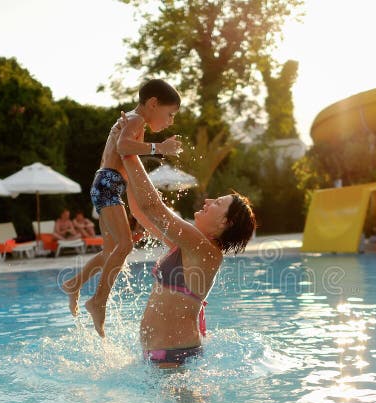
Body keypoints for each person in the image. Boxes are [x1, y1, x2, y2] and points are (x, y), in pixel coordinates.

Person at [63, 79, 183, 336]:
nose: (170, 121)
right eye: (169, 114)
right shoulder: (136, 120)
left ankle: (74, 284)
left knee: (110, 252)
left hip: (107, 184)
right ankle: (97, 301)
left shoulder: (130, 120)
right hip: (107, 184)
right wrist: (160, 148)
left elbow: (125, 153)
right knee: (125, 245)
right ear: (153, 104)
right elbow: (123, 146)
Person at [120, 152, 256, 367]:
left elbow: (153, 207)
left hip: (176, 358)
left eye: (217, 203)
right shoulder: (187, 244)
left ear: (224, 222)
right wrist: (124, 170)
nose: (208, 201)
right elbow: (140, 212)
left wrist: (128, 153)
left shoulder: (206, 251)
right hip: (158, 357)